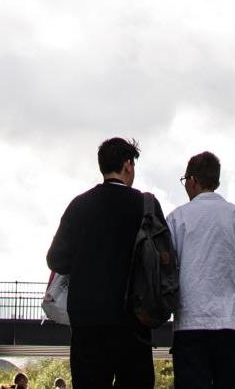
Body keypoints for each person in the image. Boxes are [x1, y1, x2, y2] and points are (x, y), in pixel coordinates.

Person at [47, 135, 155, 389]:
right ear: (128, 165)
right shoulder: (145, 205)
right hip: (134, 319)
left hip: (88, 320)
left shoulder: (80, 205)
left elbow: (56, 259)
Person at [167, 150, 235, 389]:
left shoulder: (177, 218)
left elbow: (166, 266)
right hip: (227, 321)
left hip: (189, 320)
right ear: (216, 181)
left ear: (192, 180)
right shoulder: (234, 215)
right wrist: (234, 280)